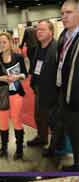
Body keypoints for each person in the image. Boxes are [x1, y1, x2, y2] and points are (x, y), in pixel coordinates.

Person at [0, 32, 28, 160]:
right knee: (3, 122)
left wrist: (18, 76)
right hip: (1, 95)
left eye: (5, 42)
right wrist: (0, 78)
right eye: (0, 42)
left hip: (16, 93)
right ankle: (4, 147)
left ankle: (19, 149)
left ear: (10, 42)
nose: (2, 45)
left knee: (16, 120)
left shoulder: (18, 57)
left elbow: (25, 74)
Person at [27, 20, 58, 149]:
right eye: (37, 30)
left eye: (42, 30)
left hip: (52, 91)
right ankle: (42, 137)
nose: (38, 32)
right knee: (39, 116)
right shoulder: (37, 48)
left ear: (51, 32)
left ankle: (55, 146)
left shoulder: (56, 48)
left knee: (53, 121)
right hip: (39, 88)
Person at [57, 0, 79, 171]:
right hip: (66, 94)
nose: (64, 17)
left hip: (77, 98)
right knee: (74, 133)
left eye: (69, 12)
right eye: (62, 13)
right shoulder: (64, 35)